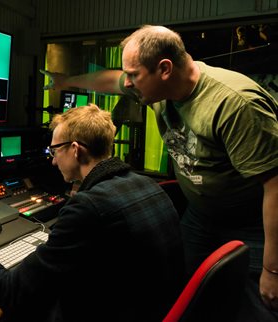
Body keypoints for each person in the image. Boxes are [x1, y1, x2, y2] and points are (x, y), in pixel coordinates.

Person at [41, 25, 278, 319]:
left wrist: (273, 269)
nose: (126, 83)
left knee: (257, 305)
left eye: (133, 75)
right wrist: (66, 81)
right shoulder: (157, 87)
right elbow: (109, 79)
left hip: (253, 223)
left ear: (164, 68)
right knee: (185, 295)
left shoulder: (234, 104)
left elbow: (275, 186)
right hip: (201, 216)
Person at [0, 104, 185, 322]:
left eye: (55, 151)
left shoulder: (88, 207)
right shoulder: (147, 184)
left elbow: (11, 291)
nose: (53, 161)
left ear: (75, 150)